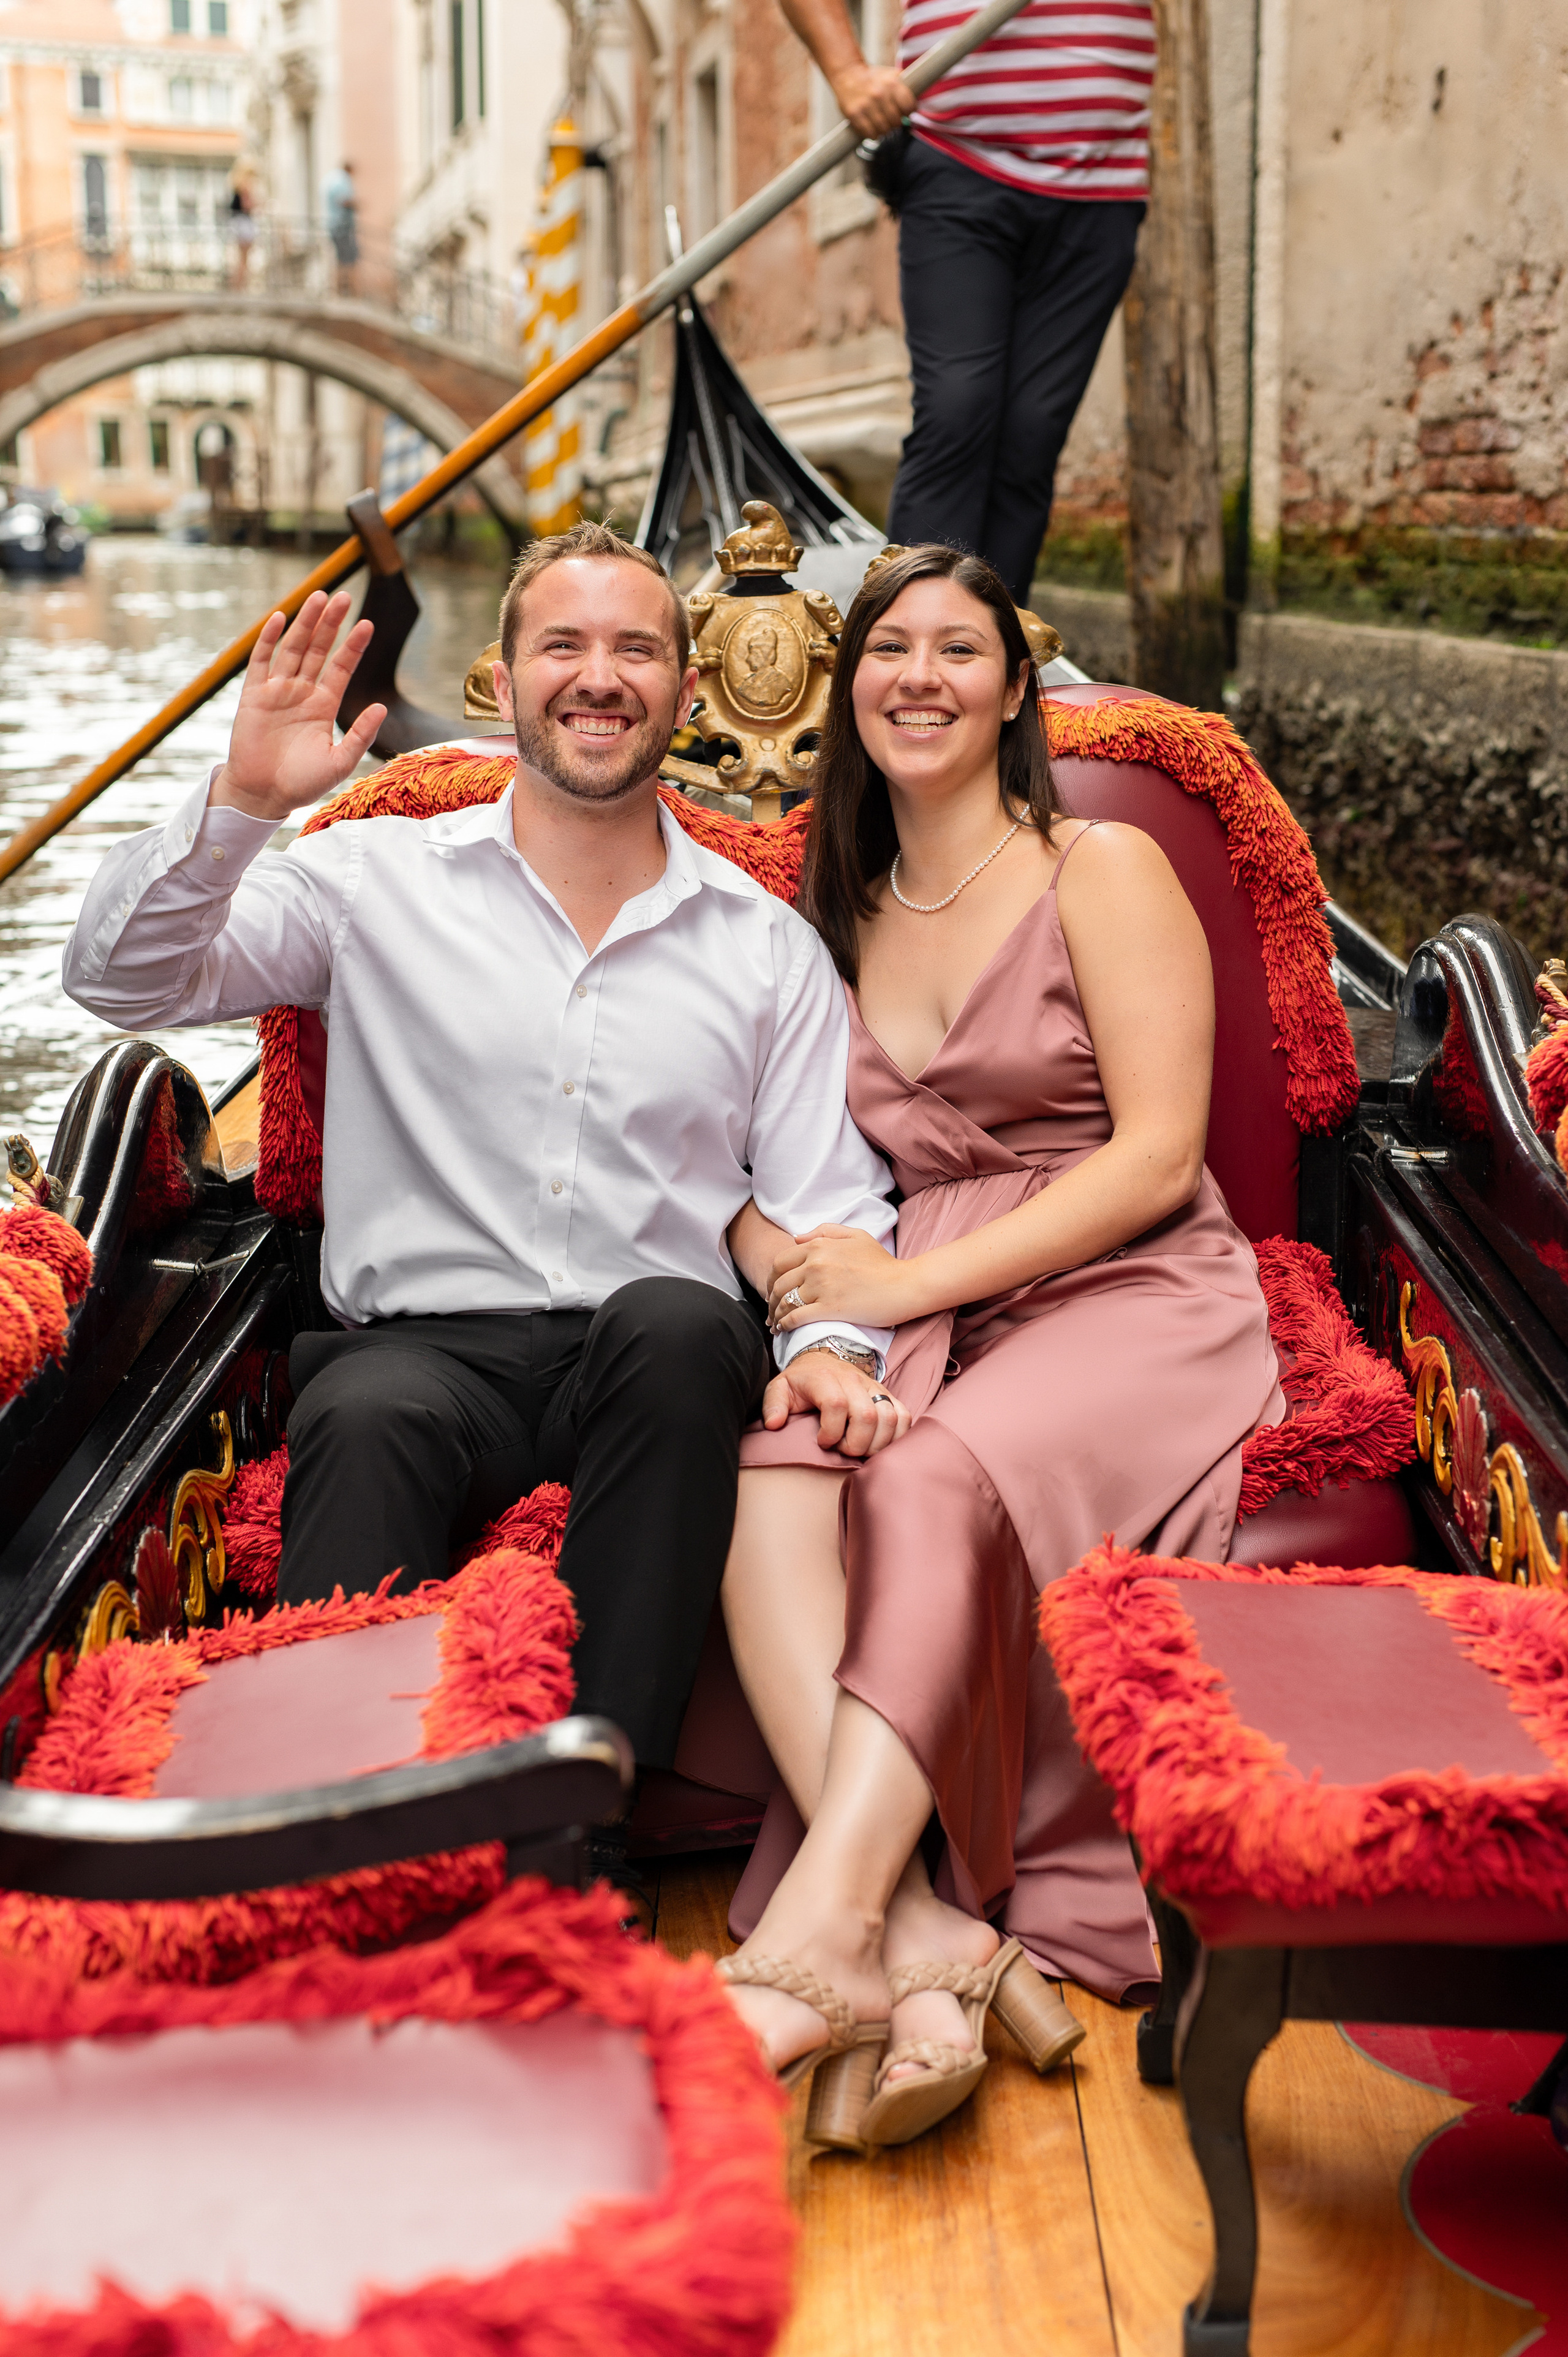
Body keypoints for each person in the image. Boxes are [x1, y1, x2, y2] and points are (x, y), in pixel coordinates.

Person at [61, 523, 907, 1790]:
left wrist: (834, 1353)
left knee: (680, 1328)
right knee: (364, 1409)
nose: (599, 675)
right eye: (561, 645)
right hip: (418, 1352)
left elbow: (828, 1198)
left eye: (635, 648)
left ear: (681, 691)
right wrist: (240, 804)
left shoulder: (762, 943)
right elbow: (118, 980)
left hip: (647, 1361)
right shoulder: (364, 880)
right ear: (501, 687)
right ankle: (338, 1823)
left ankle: (587, 1816)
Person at [715, 543, 1284, 2148]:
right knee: (780, 1453)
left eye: (958, 650)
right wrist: (803, 1286)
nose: (919, 676)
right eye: (888, 649)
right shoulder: (825, 916)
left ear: (1016, 686)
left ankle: (821, 1923)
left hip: (1138, 1282)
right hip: (938, 1281)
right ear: (849, 690)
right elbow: (740, 1166)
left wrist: (882, 1300)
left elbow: (1160, 1154)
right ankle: (926, 1938)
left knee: (932, 1473)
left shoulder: (1098, 865)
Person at [777, 0, 1155, 602]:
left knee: (1031, 436)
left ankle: (989, 656)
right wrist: (848, 74)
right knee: (958, 411)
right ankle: (907, 643)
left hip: (1102, 185)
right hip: (958, 164)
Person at [323, 159, 358, 295]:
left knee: (340, 258)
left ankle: (340, 290)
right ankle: (348, 292)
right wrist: (358, 205)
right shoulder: (342, 180)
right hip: (342, 225)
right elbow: (344, 200)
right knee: (348, 259)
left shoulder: (330, 179)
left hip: (334, 224)